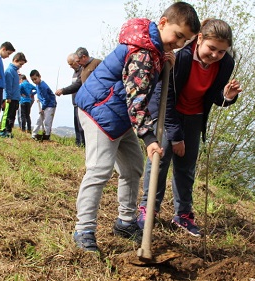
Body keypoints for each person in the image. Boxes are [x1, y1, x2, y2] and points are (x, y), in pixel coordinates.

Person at [72, 1, 201, 252]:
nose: (179, 43)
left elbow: (137, 96)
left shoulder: (153, 46)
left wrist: (165, 60)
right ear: (162, 23)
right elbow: (137, 99)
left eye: (185, 40)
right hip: (100, 110)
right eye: (178, 35)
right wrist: (150, 138)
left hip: (119, 115)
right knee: (99, 170)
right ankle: (84, 229)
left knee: (132, 167)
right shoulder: (142, 52)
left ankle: (126, 221)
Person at [137, 19, 241, 237]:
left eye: (221, 52)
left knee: (186, 167)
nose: (215, 55)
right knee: (160, 159)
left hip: (194, 116)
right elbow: (166, 94)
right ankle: (149, 208)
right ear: (200, 39)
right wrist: (175, 136)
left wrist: (227, 97)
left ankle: (183, 214)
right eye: (211, 48)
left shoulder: (226, 64)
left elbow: (214, 97)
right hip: (168, 112)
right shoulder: (182, 57)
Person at [55, 53, 85, 146]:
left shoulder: (82, 71)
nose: (70, 66)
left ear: (76, 61)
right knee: (76, 126)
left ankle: (83, 144)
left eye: (71, 64)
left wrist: (63, 91)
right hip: (74, 102)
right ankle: (78, 144)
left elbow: (77, 85)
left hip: (81, 102)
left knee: (81, 127)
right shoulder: (75, 72)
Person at [0, 52, 27, 138]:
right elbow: (8, 86)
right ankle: (3, 131)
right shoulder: (9, 71)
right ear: (15, 60)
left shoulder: (15, 71)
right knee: (7, 115)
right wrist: (8, 96)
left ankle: (9, 131)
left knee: (12, 116)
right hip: (9, 98)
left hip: (15, 98)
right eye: (20, 64)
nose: (21, 66)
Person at [30, 69, 57, 141]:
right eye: (32, 80)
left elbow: (46, 98)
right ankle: (34, 133)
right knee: (39, 119)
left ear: (39, 77)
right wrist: (35, 95)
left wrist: (43, 108)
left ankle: (47, 135)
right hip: (44, 104)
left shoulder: (43, 86)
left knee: (47, 121)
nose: (34, 81)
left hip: (50, 105)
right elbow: (38, 91)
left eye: (35, 79)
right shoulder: (38, 85)